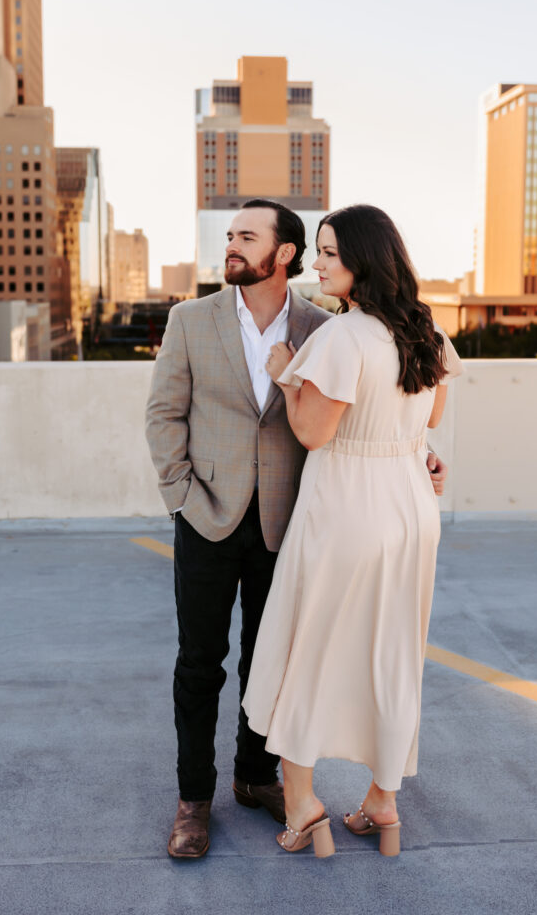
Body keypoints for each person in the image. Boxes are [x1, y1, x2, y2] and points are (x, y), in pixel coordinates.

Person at [145, 199, 450, 860]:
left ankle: (257, 780)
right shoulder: (189, 320)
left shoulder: (325, 324)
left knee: (273, 660)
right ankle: (193, 800)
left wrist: (415, 452)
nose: (230, 245)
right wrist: (181, 498)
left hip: (294, 521)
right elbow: (163, 415)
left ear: (281, 253)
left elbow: (353, 413)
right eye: (228, 235)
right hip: (209, 516)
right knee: (200, 664)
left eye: (245, 237)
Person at [243, 204, 464, 859]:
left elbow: (314, 431)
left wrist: (285, 369)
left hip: (344, 505)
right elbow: (431, 417)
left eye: (329, 252)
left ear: (364, 259)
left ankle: (304, 805)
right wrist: (414, 451)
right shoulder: (425, 332)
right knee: (392, 653)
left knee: (305, 648)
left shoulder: (341, 338)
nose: (318, 263)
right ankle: (382, 803)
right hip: (410, 506)